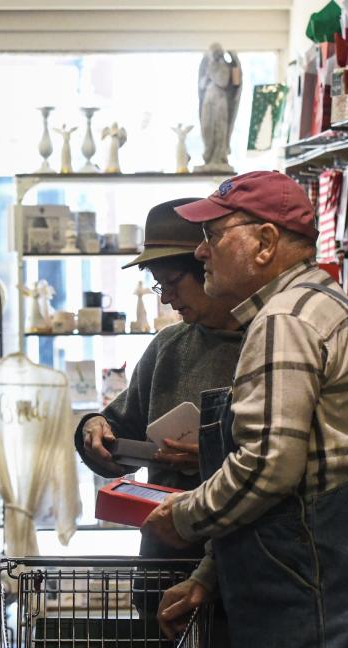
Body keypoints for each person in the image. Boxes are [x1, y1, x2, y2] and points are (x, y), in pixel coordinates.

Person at [141, 171, 348, 648]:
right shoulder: (315, 303)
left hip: (323, 602)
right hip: (347, 591)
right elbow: (299, 479)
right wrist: (209, 576)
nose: (200, 251)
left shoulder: (286, 321)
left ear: (265, 242)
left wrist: (186, 516)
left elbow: (268, 465)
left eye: (213, 235)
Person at [73, 197, 243, 571]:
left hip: (238, 562)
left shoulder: (265, 344)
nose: (166, 298)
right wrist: (95, 430)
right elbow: (121, 425)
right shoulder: (169, 346)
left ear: (207, 265)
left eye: (171, 282)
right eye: (158, 286)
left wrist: (214, 455)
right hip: (163, 559)